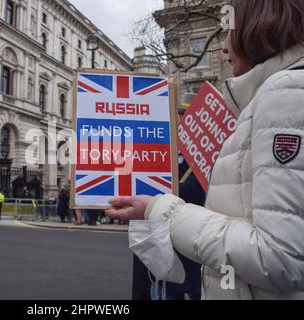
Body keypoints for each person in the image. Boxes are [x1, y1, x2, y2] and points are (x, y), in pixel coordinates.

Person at [107, 0, 304, 300]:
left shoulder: (284, 94)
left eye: (228, 34)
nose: (223, 48)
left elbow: (281, 258)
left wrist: (160, 211)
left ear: (256, 31)